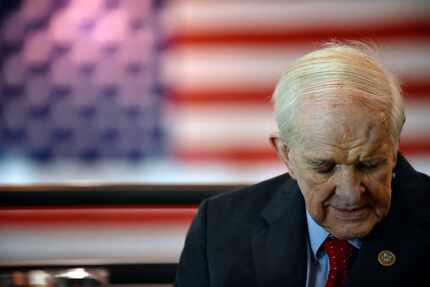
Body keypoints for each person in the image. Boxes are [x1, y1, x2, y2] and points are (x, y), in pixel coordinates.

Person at [175, 43, 430, 287]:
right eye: (324, 167)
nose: (350, 193)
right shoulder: (220, 227)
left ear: (394, 144)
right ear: (286, 155)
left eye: (370, 164)